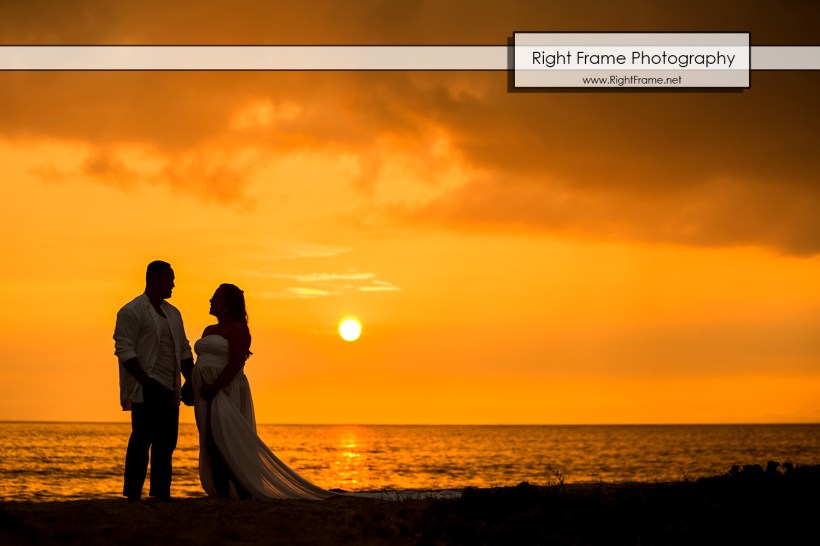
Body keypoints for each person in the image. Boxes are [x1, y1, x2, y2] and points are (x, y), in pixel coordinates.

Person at [192, 283, 334, 500]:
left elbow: (237, 362)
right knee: (210, 443)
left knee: (223, 441)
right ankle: (222, 494)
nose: (211, 300)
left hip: (224, 390)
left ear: (228, 303)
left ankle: (243, 489)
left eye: (216, 297)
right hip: (204, 392)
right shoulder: (209, 330)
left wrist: (215, 386)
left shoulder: (238, 329)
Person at [114, 260, 193, 502]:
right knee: (141, 439)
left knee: (166, 443)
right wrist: (145, 381)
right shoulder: (132, 311)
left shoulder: (173, 313)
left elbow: (183, 348)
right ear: (155, 278)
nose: (173, 284)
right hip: (146, 386)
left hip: (170, 388)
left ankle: (160, 494)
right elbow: (124, 349)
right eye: (170, 279)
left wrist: (191, 380)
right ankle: (133, 495)